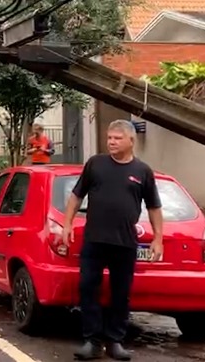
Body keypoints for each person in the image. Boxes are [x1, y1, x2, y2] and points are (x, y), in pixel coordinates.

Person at [62, 120, 163, 361]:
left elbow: (154, 207)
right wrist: (67, 224)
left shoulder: (142, 172)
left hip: (125, 242)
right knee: (88, 288)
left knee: (121, 293)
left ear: (131, 141)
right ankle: (92, 341)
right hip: (94, 240)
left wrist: (158, 238)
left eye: (117, 138)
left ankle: (115, 340)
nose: (111, 142)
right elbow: (76, 196)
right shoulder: (96, 165)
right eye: (109, 137)